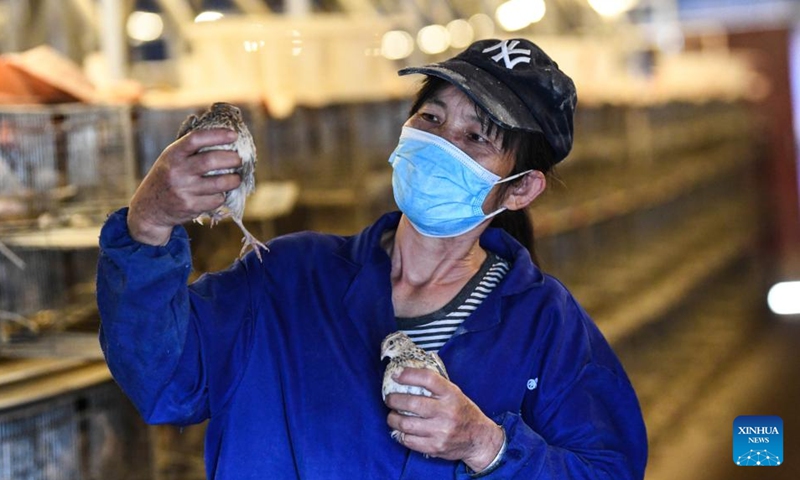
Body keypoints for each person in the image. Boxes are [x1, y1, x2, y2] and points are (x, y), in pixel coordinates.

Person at [97, 38, 648, 479]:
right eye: (431, 120)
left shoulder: (544, 326)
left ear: (521, 188)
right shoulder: (287, 278)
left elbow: (607, 469)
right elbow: (164, 380)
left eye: (476, 137)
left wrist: (487, 447)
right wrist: (147, 225)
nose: (441, 145)